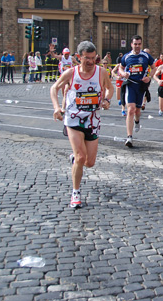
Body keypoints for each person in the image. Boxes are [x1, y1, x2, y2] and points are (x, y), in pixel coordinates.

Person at [50, 41, 113, 209]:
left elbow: (110, 88)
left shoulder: (101, 72)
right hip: (73, 119)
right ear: (78, 57)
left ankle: (75, 160)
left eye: (93, 58)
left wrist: (107, 99)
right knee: (80, 157)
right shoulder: (71, 73)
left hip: (93, 120)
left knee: (90, 162)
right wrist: (57, 107)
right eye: (87, 58)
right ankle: (75, 193)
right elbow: (54, 88)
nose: (91, 62)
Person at [118, 35, 154, 148]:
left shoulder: (146, 56)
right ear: (131, 44)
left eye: (139, 44)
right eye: (135, 44)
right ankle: (129, 137)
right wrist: (123, 74)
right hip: (130, 84)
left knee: (137, 111)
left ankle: (137, 121)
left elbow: (155, 68)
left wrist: (149, 77)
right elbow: (120, 67)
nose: (137, 46)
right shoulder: (127, 56)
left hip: (141, 86)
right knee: (130, 110)